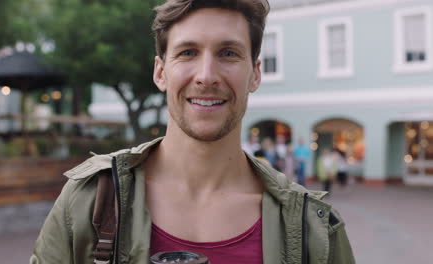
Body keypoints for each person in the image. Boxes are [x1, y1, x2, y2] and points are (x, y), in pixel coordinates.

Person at [30, 1, 355, 263]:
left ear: (255, 74)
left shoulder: (313, 229)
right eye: (188, 52)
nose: (206, 75)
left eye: (228, 53)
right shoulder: (92, 200)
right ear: (160, 72)